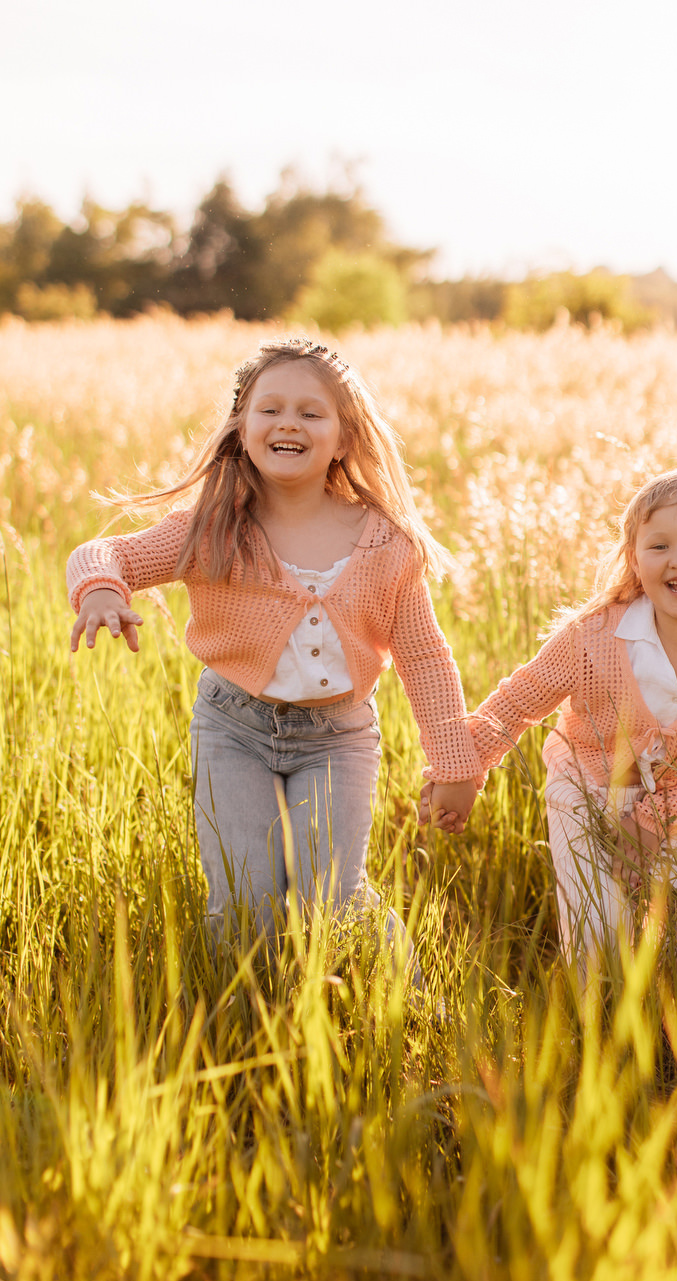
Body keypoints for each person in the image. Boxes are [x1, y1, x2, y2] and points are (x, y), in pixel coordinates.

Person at [68, 336, 480, 947]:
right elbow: (104, 553)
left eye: (311, 413)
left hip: (338, 738)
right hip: (233, 729)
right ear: (241, 428)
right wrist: (102, 589)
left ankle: (410, 999)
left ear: (344, 438)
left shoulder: (387, 544)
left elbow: (424, 659)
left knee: (332, 896)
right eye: (271, 409)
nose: (289, 422)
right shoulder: (213, 528)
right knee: (244, 896)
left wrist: (454, 764)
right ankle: (242, 1014)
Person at [427, 466, 677, 972]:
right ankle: (593, 1022)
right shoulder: (592, 638)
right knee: (599, 927)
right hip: (585, 786)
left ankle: (666, 1030)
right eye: (658, 546)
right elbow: (519, 700)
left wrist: (658, 821)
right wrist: (461, 767)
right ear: (635, 560)